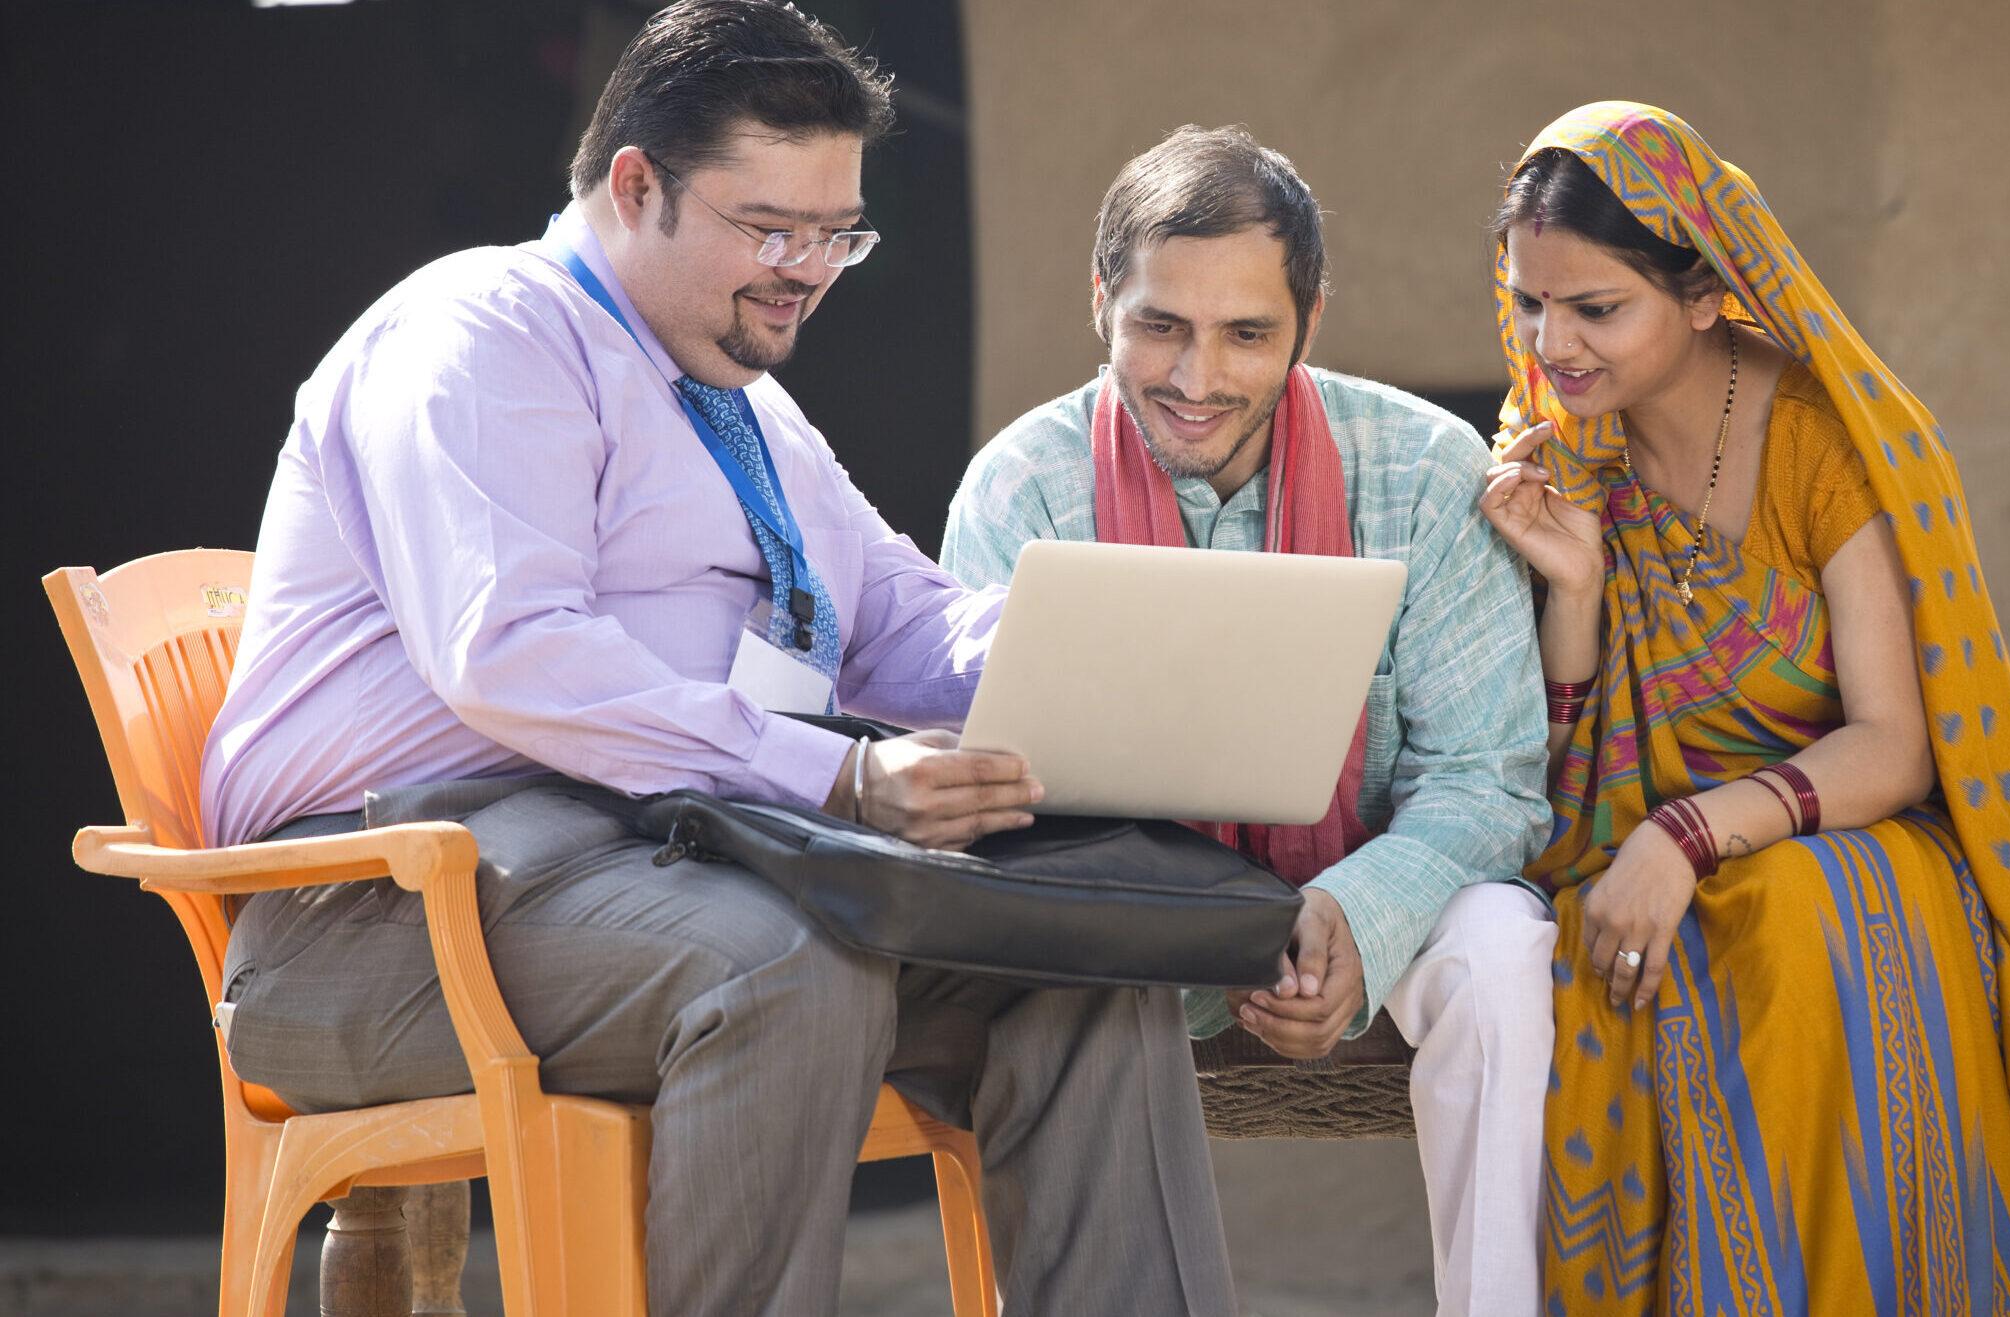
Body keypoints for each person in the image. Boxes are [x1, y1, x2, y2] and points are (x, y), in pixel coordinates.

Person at [198, 5, 1238, 1312]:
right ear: (635, 184)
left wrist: (1131, 662)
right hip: (377, 913)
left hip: (654, 868)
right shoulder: (479, 341)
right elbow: (512, 656)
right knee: (774, 965)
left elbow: (899, 625)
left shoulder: (743, 405)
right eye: (768, 228)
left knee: (1077, 961)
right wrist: (841, 784)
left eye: (835, 235)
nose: (805, 269)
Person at [1480, 101, 2010, 1314]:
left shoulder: (1823, 442)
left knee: (1801, 923)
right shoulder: (1549, 456)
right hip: (1621, 851)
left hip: (1839, 833)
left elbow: (1893, 743)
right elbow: (1553, 773)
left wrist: (1685, 835)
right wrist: (1577, 589)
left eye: (1595, 309)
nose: (1552, 344)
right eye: (1528, 301)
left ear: (1703, 294)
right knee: (1613, 959)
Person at [942, 125, 1556, 1315]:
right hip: (1115, 940)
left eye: (1247, 334)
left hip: (1375, 905)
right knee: (1031, 971)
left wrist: (1356, 916)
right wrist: (1183, 921)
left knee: (1497, 949)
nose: (1196, 376)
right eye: (1158, 325)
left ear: (1310, 322)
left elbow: (1488, 779)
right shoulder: (1020, 488)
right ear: (1100, 302)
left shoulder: (1424, 473)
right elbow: (989, 807)